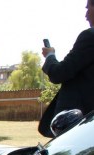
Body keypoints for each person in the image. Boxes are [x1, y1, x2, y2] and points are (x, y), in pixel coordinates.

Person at [39, 0, 94, 137]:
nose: (86, 15)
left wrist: (50, 56)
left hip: (80, 128)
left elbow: (59, 73)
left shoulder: (89, 37)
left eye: (88, 8)